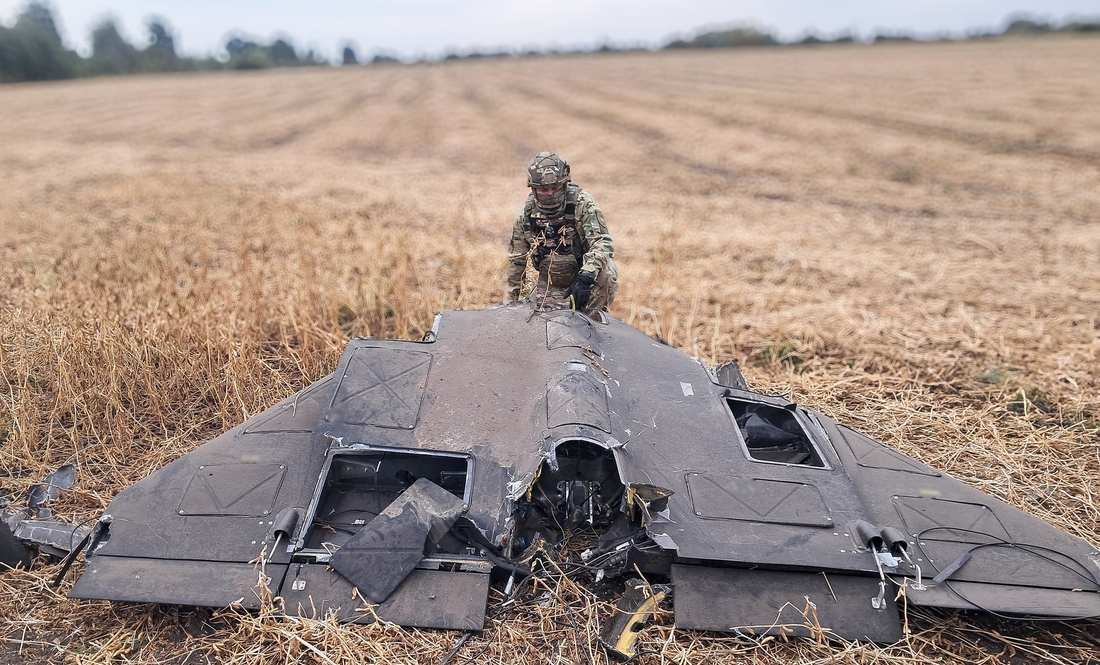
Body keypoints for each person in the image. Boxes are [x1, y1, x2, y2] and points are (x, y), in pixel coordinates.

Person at [505, 152, 618, 315]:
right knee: (545, 323)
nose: (550, 193)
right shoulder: (526, 215)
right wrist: (511, 304)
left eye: (555, 188)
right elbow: (517, 260)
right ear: (534, 189)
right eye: (544, 189)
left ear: (564, 184)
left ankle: (593, 320)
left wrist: (586, 278)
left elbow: (602, 243)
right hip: (551, 280)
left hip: (584, 277)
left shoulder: (583, 204)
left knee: (607, 274)